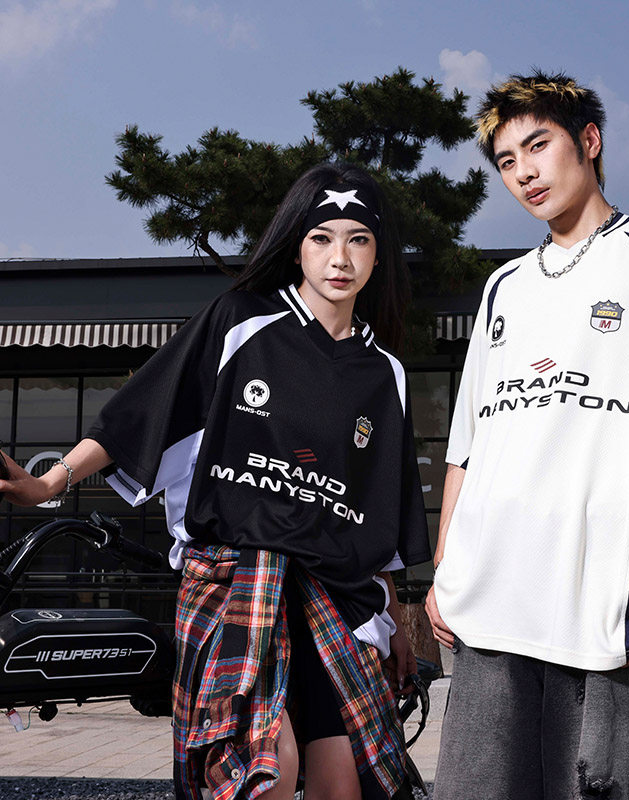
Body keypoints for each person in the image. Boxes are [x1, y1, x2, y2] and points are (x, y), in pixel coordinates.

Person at [0, 162, 431, 800]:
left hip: (338, 598)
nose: (340, 258)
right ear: (296, 244)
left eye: (358, 239)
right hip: (240, 584)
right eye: (321, 238)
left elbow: (380, 509)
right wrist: (51, 482)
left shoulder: (384, 371)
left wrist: (395, 618)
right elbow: (149, 410)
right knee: (266, 767)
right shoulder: (241, 322)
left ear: (378, 253)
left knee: (346, 782)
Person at [425, 71, 629, 800]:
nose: (524, 172)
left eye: (538, 146)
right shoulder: (503, 286)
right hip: (494, 602)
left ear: (589, 141)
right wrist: (444, 567)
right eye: (507, 161)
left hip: (611, 604)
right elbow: (467, 444)